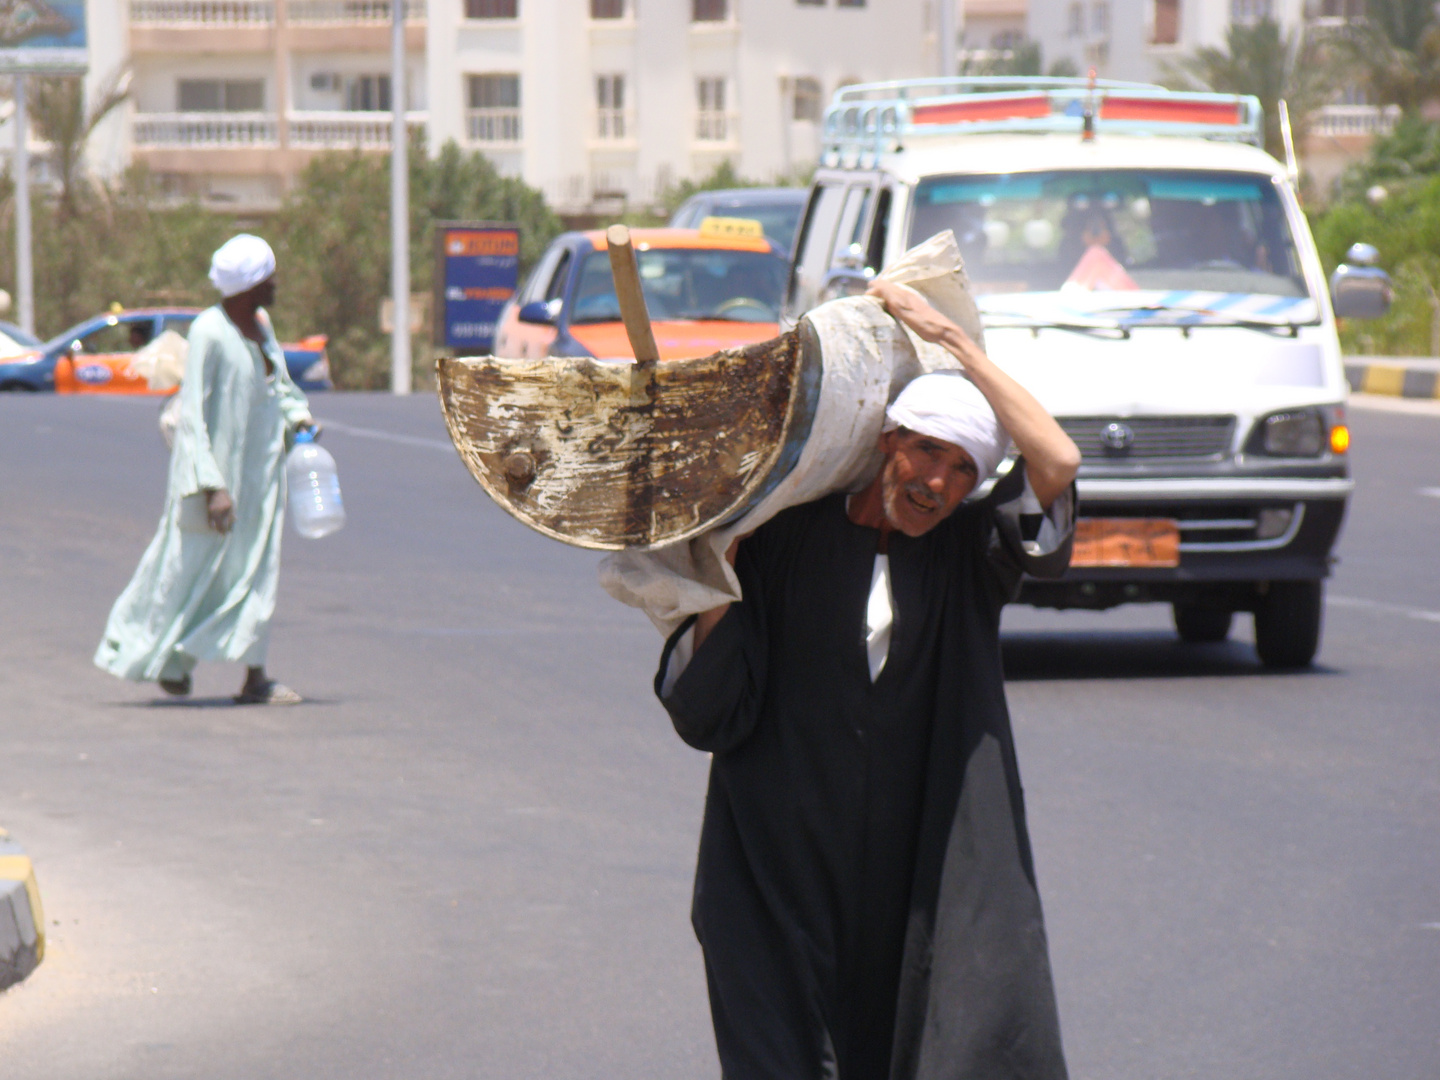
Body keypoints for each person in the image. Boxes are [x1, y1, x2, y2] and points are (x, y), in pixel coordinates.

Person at [655, 278, 1083, 1079]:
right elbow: (713, 706)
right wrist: (715, 563)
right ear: (888, 439)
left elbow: (1056, 458)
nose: (937, 483)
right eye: (927, 451)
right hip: (780, 858)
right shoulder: (783, 538)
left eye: (962, 470)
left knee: (928, 1038)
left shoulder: (970, 555)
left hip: (916, 858)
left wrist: (956, 347)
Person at [95, 234, 314, 705]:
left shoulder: (261, 325)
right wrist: (213, 486)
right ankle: (157, 656)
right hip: (213, 481)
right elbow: (193, 414)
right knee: (185, 570)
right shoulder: (211, 333)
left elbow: (280, 384)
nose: (275, 285)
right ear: (249, 285)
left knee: (255, 572)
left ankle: (255, 677)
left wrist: (300, 417)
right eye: (268, 278)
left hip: (260, 481)